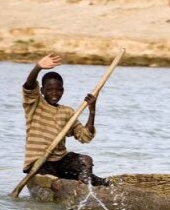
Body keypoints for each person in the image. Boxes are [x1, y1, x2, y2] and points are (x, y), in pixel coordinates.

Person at [22, 53, 109, 186]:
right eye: (49, 90)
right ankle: (78, 185)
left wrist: (92, 110)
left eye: (58, 90)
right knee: (55, 181)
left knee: (86, 160)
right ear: (42, 91)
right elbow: (28, 87)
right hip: (39, 163)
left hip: (60, 160)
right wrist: (38, 67)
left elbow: (85, 137)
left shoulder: (67, 112)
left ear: (63, 91)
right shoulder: (35, 104)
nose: (54, 93)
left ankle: (86, 189)